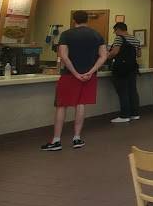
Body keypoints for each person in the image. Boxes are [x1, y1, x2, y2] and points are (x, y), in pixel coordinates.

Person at [42, 10, 106, 151]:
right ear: (87, 20)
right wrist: (91, 71)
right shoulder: (97, 35)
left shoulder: (66, 34)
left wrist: (75, 73)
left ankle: (56, 140)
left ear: (74, 20)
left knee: (61, 106)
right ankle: (77, 138)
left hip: (69, 75)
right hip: (89, 76)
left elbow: (63, 56)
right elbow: (103, 56)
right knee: (80, 104)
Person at [108, 22, 141, 123]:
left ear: (118, 29)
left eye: (115, 30)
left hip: (121, 69)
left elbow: (115, 52)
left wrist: (105, 56)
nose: (114, 33)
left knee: (123, 91)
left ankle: (124, 115)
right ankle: (135, 114)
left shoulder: (119, 38)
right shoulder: (135, 39)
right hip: (132, 68)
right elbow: (139, 54)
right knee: (132, 91)